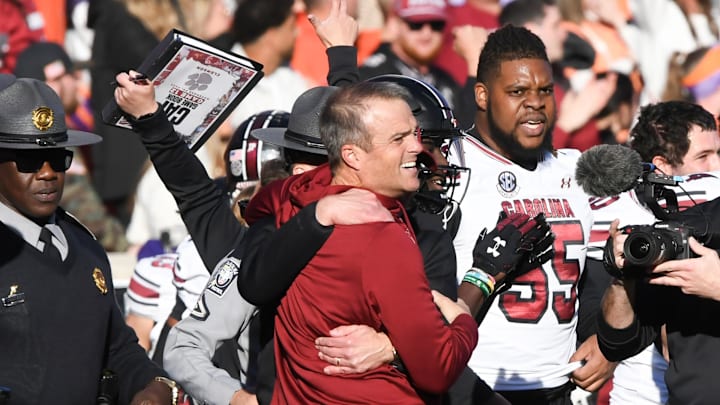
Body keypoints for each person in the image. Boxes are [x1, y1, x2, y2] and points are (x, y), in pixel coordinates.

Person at [243, 81, 478, 404]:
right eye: (399, 139)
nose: (417, 148)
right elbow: (437, 368)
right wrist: (464, 320)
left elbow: (264, 202)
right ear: (351, 155)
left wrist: (317, 213)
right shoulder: (383, 238)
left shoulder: (296, 197)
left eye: (415, 134)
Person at [447, 25, 610, 404]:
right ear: (483, 96)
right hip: (475, 385)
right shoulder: (453, 166)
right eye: (518, 92)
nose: (535, 103)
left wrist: (607, 343)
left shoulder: (576, 170)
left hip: (561, 387)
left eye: (544, 91)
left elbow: (600, 276)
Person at [0, 74, 177, 404]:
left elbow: (115, 346)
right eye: (28, 160)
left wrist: (154, 385)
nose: (48, 173)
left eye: (58, 158)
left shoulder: (84, 247)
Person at [585, 100, 720, 405]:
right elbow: (617, 341)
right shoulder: (671, 231)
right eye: (705, 156)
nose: (716, 167)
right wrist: (622, 277)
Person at [13, 40, 129, 252]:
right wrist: (126, 245)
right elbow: (87, 217)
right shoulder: (48, 139)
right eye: (60, 77)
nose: (74, 83)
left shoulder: (19, 131)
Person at [359, 0, 466, 126]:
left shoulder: (446, 80)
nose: (427, 34)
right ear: (394, 25)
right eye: (416, 24)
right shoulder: (373, 76)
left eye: (436, 25)